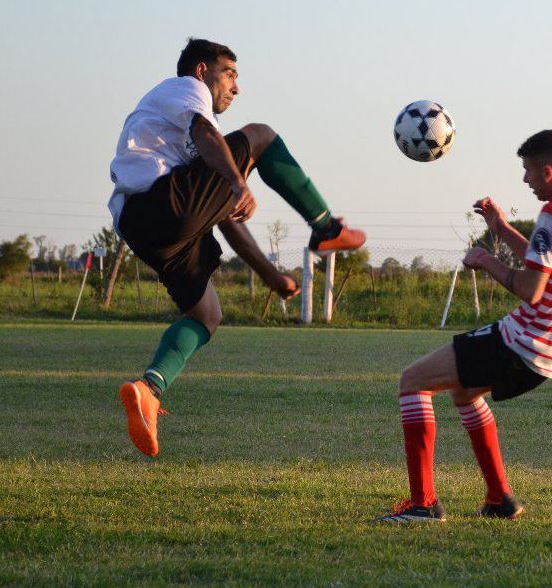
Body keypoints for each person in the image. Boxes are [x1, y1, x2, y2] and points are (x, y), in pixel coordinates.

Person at [110, 38, 366, 457]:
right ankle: (325, 225)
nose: (235, 87)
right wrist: (237, 180)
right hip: (160, 200)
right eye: (229, 74)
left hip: (142, 225)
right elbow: (206, 132)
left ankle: (149, 389)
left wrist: (271, 276)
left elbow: (223, 215)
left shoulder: (171, 130)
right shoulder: (185, 91)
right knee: (261, 136)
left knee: (206, 315)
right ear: (201, 72)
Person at [377, 130, 552, 523]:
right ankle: (499, 498)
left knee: (412, 381)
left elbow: (531, 289)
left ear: (549, 170)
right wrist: (501, 229)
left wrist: (486, 260)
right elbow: (547, 261)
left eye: (529, 172)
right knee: (464, 394)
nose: (526, 181)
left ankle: (423, 506)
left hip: (523, 342)